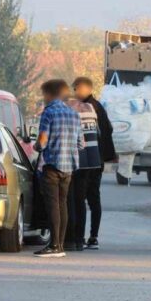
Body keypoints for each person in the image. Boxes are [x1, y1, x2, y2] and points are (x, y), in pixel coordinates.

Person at [33, 79, 83, 258]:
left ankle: (53, 245)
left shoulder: (49, 112)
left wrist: (36, 147)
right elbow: (81, 143)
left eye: (43, 94)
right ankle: (60, 244)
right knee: (63, 204)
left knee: (52, 205)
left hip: (52, 165)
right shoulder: (74, 114)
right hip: (68, 167)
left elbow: (42, 141)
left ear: (49, 94)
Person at [72, 76, 115, 249]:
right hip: (97, 161)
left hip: (85, 160)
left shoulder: (85, 108)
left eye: (75, 89)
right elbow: (108, 129)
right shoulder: (99, 107)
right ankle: (93, 237)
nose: (74, 93)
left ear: (82, 89)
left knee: (80, 198)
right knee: (94, 199)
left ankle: (79, 237)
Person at [61, 81, 102, 252]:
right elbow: (98, 133)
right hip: (93, 159)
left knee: (71, 199)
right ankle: (79, 239)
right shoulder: (91, 108)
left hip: (78, 158)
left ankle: (71, 239)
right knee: (81, 200)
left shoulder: (70, 110)